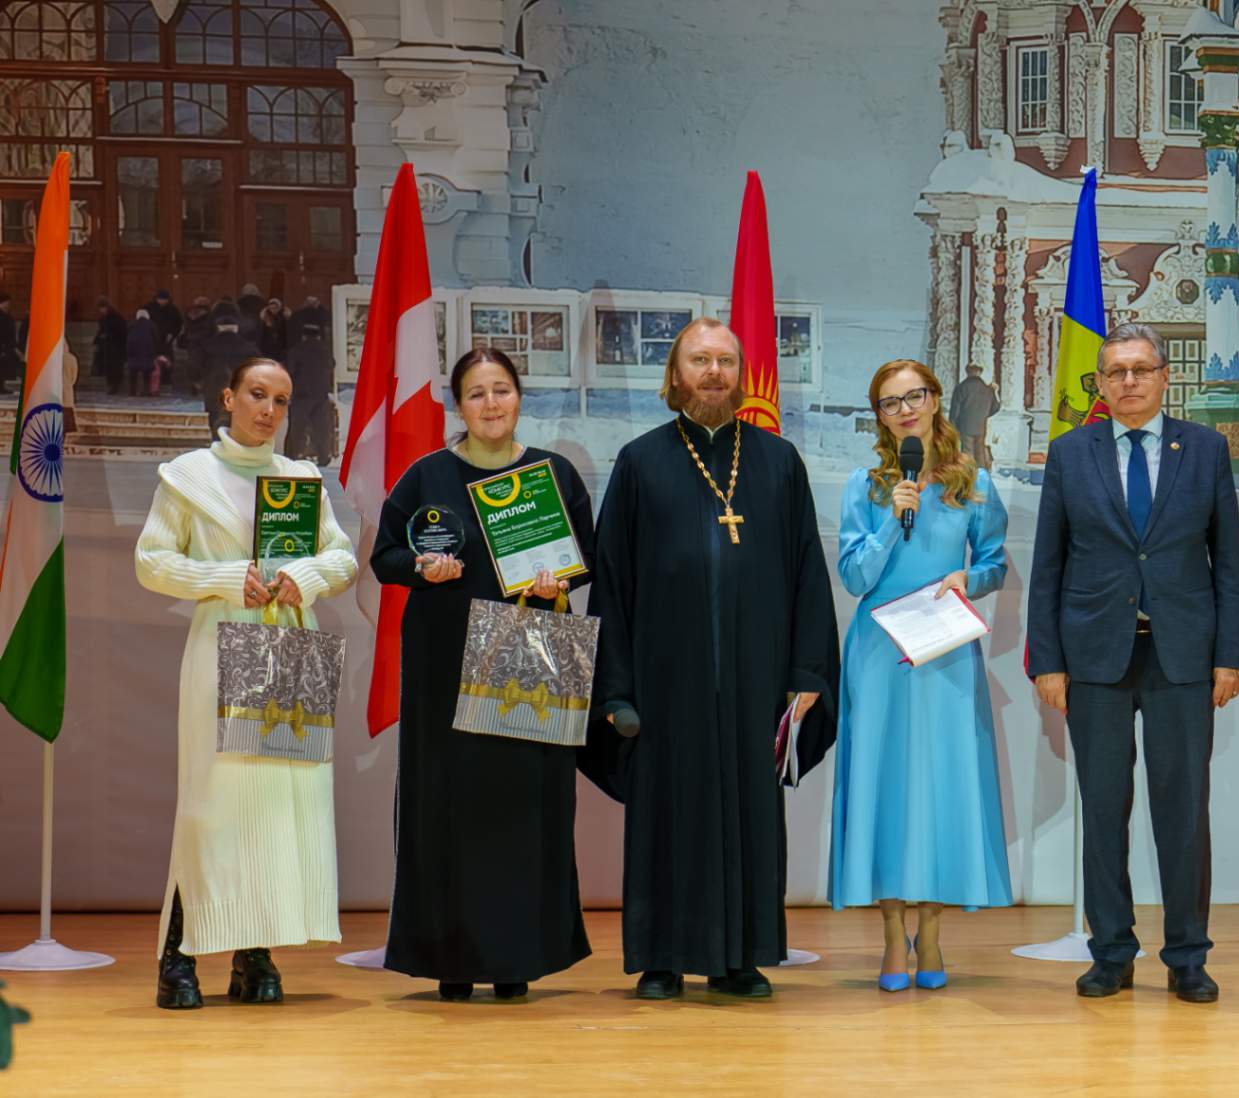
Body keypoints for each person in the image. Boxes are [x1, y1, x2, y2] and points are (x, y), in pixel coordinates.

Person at [586, 316, 840, 1001]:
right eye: (699, 360)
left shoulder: (778, 461)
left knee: (749, 818)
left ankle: (740, 959)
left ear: (740, 375)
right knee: (667, 817)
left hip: (756, 679)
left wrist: (806, 673)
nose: (713, 372)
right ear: (675, 375)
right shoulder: (640, 461)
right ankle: (661, 958)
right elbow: (612, 583)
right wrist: (615, 688)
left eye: (725, 361)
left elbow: (807, 575)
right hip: (666, 682)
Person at [1026, 321, 1239, 1004]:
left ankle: (1187, 956)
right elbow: (1047, 566)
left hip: (1182, 656)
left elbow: (1228, 562)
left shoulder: (1204, 449)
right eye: (1115, 372)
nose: (1128, 381)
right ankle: (1112, 952)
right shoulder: (1070, 453)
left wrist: (1231, 656)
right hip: (1093, 657)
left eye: (1140, 369)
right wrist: (1046, 662)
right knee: (1103, 810)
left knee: (1183, 813)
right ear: (1099, 382)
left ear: (1163, 378)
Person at [371, 347, 595, 1002]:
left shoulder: (554, 474)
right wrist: (420, 568)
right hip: (444, 666)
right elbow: (384, 556)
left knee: (523, 807)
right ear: (458, 405)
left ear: (519, 397)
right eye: (476, 393)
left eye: (501, 390)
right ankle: (451, 957)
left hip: (530, 658)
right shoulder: (427, 476)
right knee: (449, 807)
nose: (491, 403)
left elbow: (587, 555)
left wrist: (561, 581)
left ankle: (517, 956)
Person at [135, 356, 358, 1010]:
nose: (268, 409)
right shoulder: (187, 477)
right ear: (228, 397)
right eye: (257, 394)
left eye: (281, 400)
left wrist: (304, 578)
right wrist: (226, 579)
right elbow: (152, 561)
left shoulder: (300, 478)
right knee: (214, 805)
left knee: (280, 807)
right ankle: (177, 956)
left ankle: (254, 954)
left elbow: (341, 555)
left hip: (290, 646)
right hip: (220, 647)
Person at [829, 358, 1011, 992]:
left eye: (914, 396)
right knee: (884, 786)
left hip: (944, 649)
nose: (904, 410)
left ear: (935, 400)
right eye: (890, 402)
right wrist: (890, 519)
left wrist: (969, 578)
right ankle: (890, 935)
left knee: (940, 787)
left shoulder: (974, 483)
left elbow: (995, 564)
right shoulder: (865, 486)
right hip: (879, 654)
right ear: (879, 417)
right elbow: (855, 577)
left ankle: (931, 933)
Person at [197, 304, 259, 439]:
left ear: (218, 327)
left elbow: (196, 366)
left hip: (213, 389)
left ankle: (217, 443)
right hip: (240, 389)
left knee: (215, 418)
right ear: (236, 328)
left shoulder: (207, 346)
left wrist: (197, 382)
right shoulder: (249, 348)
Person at [285, 322, 334, 464]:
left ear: (304, 335)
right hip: (321, 394)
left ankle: (292, 456)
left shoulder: (297, 350)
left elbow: (290, 370)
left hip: (302, 395)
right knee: (321, 428)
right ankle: (323, 457)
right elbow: (331, 365)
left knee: (297, 428)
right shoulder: (325, 351)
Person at [948, 362, 1001, 471]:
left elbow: (955, 410)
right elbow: (995, 407)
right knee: (980, 453)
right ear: (980, 373)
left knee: (967, 453)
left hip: (965, 426)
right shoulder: (987, 389)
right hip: (981, 426)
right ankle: (981, 476)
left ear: (967, 372)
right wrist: (984, 414)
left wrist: (952, 427)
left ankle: (968, 475)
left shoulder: (961, 387)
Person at [145, 288, 184, 388]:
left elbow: (178, 324)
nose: (162, 301)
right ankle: (152, 380)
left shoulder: (173, 309)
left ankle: (166, 380)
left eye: (165, 299)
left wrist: (173, 334)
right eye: (160, 299)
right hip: (152, 338)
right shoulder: (149, 308)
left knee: (167, 359)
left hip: (167, 339)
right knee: (153, 359)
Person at [94, 296, 127, 394]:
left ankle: (116, 385)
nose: (102, 310)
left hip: (117, 347)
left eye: (103, 307)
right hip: (108, 347)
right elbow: (101, 331)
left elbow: (122, 332)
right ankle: (111, 385)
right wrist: (97, 341)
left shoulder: (117, 318)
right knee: (109, 367)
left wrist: (108, 335)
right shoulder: (103, 319)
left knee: (116, 367)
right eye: (100, 308)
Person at [126, 308, 161, 396]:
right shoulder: (152, 325)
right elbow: (156, 339)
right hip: (147, 352)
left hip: (134, 352)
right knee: (146, 374)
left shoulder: (132, 324)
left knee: (133, 373)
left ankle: (132, 391)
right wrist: (156, 351)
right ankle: (146, 391)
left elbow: (127, 338)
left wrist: (128, 352)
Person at [0, 293, 20, 396]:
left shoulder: (6, 316)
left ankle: (2, 387)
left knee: (4, 369)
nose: (9, 306)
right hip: (3, 347)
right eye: (7, 303)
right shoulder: (3, 317)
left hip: (6, 347)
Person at [258, 297, 289, 362]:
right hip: (266, 348)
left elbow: (285, 335)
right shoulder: (265, 318)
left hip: (280, 349)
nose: (273, 310)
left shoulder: (283, 319)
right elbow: (262, 335)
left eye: (275, 308)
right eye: (271, 308)